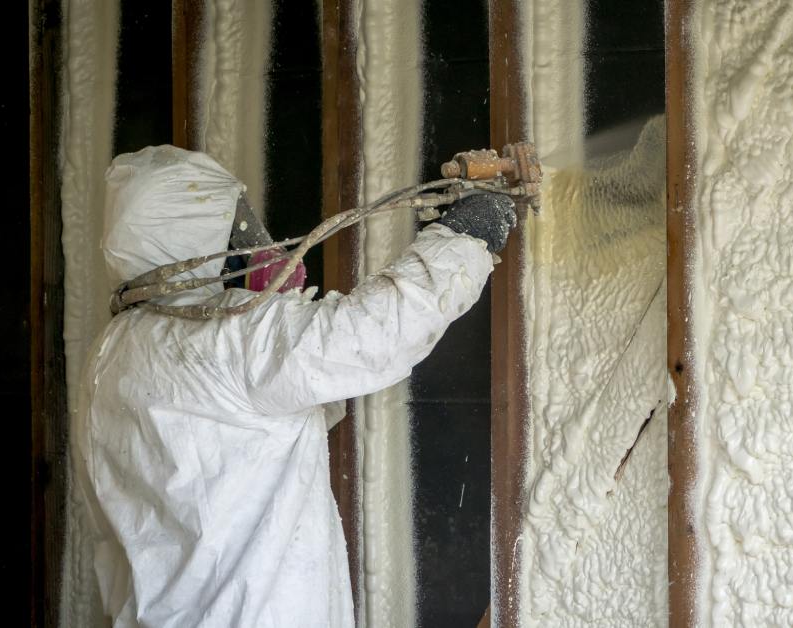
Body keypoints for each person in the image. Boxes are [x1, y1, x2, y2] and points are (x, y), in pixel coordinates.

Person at [71, 145, 517, 627]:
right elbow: (370, 336)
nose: (255, 243)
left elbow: (280, 413)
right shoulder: (227, 337)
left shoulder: (111, 351)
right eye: (235, 226)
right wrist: (467, 234)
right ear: (190, 235)